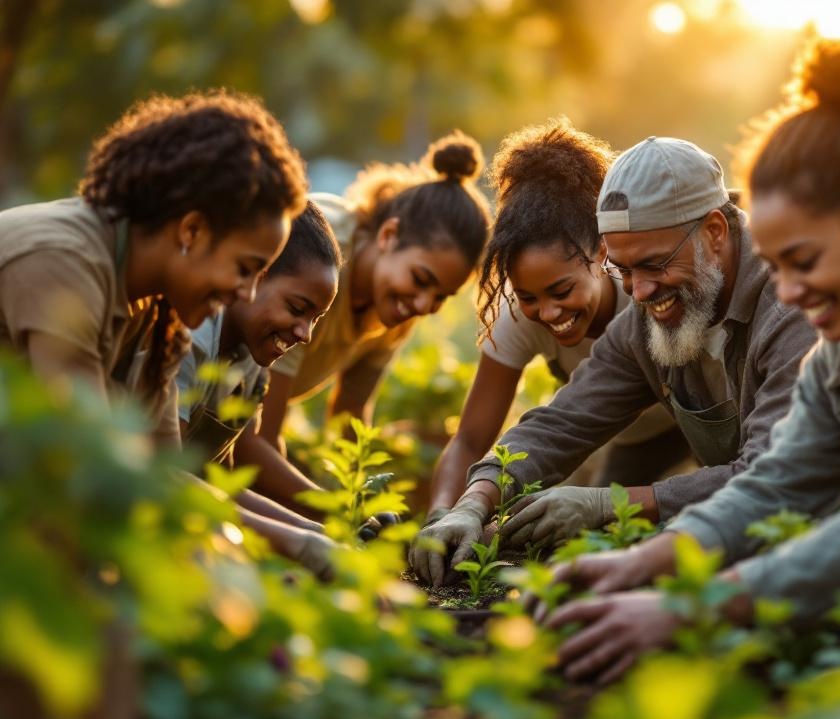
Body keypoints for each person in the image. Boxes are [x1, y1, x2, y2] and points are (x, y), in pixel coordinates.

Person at [538, 24, 840, 685]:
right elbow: (776, 485)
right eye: (775, 263)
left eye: (804, 261)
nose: (788, 292)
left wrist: (695, 605)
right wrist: (647, 561)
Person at [411, 135, 817, 586]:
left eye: (653, 264)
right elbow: (564, 421)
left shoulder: (793, 305)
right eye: (621, 270)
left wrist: (609, 504)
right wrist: (474, 502)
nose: (638, 293)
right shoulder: (650, 315)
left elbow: (774, 475)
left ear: (715, 232)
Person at [0, 90, 335, 578]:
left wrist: (301, 542)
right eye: (246, 269)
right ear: (192, 231)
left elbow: (161, 476)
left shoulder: (159, 314)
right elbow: (90, 464)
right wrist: (290, 544)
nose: (244, 294)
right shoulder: (64, 262)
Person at [429, 118, 683, 516]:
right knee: (608, 530)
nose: (548, 312)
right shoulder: (518, 319)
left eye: (562, 291)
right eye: (529, 296)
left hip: (697, 421)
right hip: (631, 438)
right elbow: (471, 438)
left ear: (602, 253)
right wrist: (445, 512)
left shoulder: (647, 290)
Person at [257, 132, 492, 449]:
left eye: (442, 297)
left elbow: (351, 408)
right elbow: (261, 437)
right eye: (421, 280)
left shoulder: (395, 303)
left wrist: (361, 487)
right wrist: (333, 500)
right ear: (388, 235)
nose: (425, 305)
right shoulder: (322, 262)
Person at [176, 200, 340, 523]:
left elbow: (224, 484)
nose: (305, 334)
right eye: (296, 308)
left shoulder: (253, 361)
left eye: (316, 318)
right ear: (255, 276)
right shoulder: (189, 337)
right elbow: (162, 477)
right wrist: (302, 540)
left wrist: (326, 524)